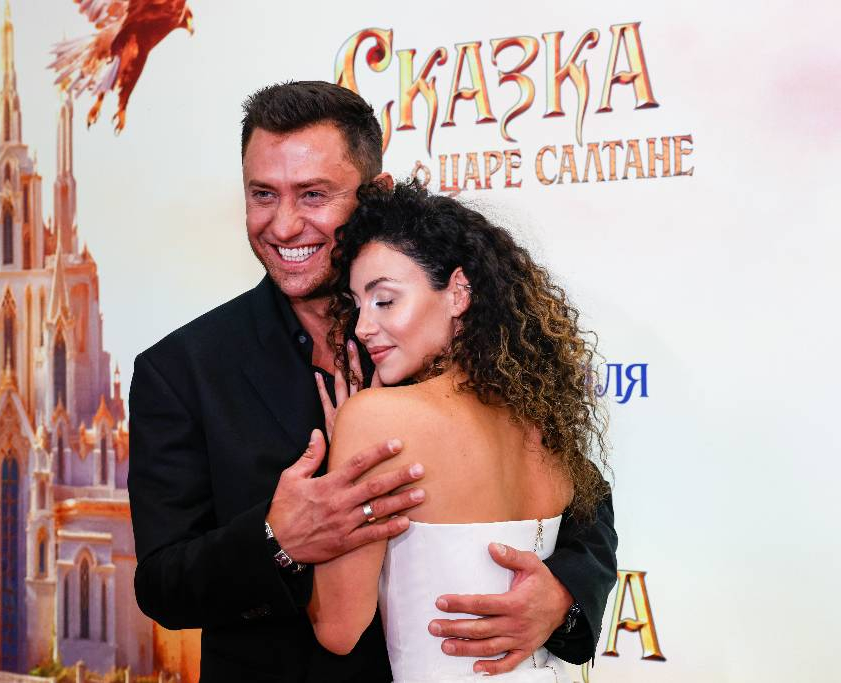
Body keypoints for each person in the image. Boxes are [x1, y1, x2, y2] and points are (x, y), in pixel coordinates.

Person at [128, 81, 617, 682]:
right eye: (263, 194)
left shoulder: (453, 348)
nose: (284, 225)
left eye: (314, 195)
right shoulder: (182, 369)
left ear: (375, 194)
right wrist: (277, 541)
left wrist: (562, 598)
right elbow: (162, 584)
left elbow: (587, 510)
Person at [306, 180, 609, 682]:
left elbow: (339, 630)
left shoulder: (374, 419)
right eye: (357, 304)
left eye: (384, 300)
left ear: (458, 292)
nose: (361, 327)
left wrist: (339, 460)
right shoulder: (544, 422)